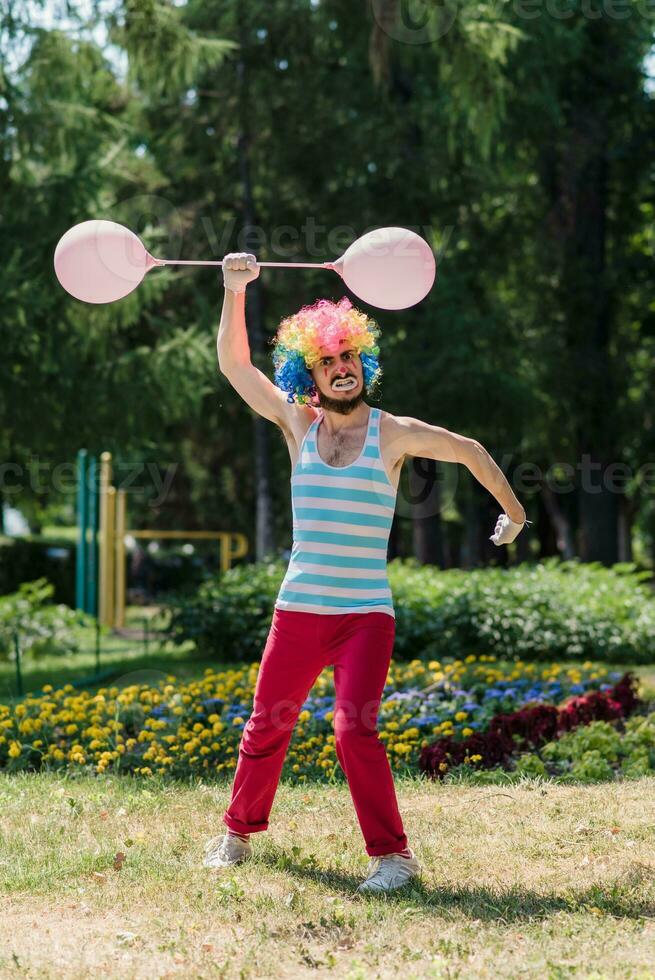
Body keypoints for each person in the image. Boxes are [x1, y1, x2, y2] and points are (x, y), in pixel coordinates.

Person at [203, 253, 529, 893]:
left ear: (364, 365)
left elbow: (469, 451)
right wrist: (234, 290)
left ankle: (393, 858)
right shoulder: (297, 424)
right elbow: (234, 366)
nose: (341, 368)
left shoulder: (393, 434)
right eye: (327, 360)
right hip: (298, 610)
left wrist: (513, 513)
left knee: (355, 729)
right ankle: (237, 834)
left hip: (365, 616)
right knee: (267, 723)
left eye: (349, 357)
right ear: (310, 371)